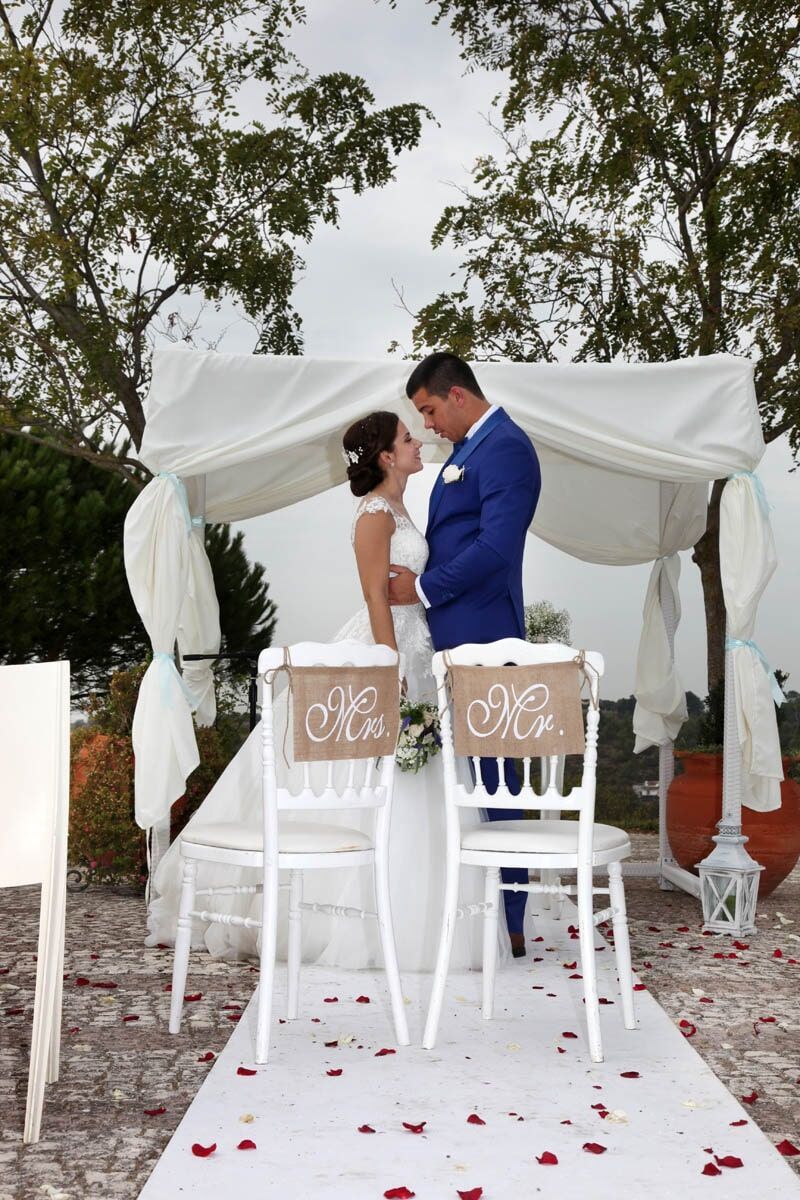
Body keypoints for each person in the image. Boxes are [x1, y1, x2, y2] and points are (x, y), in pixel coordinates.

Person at [146, 408, 493, 972]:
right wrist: (389, 665)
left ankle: (420, 912)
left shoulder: (402, 507)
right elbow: (375, 595)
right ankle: (351, 917)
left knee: (417, 777)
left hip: (417, 645)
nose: (418, 443)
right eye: (408, 438)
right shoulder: (374, 514)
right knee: (369, 772)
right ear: (387, 456)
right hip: (388, 649)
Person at [387, 352, 541, 957]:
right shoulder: (471, 449)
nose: (427, 425)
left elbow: (497, 548)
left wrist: (423, 589)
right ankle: (480, 915)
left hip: (486, 639)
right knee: (473, 780)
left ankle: (511, 920)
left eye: (428, 410)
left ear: (456, 395)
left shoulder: (506, 447)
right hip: (449, 641)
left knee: (497, 781)